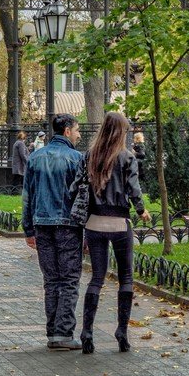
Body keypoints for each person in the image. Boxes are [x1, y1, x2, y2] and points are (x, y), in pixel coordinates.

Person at [77, 112, 152, 354]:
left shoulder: (90, 156)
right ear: (120, 132)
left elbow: (79, 187)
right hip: (119, 222)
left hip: (95, 222)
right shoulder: (127, 157)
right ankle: (122, 331)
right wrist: (141, 210)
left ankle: (87, 330)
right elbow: (133, 188)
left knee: (96, 278)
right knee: (126, 278)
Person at [22, 114, 84, 351]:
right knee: (69, 279)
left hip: (41, 224)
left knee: (51, 280)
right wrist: (85, 230)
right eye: (77, 130)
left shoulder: (35, 157)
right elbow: (82, 198)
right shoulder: (76, 159)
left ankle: (53, 333)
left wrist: (28, 229)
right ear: (67, 131)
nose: (79, 134)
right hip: (68, 226)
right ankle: (63, 333)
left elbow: (27, 196)